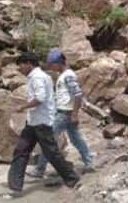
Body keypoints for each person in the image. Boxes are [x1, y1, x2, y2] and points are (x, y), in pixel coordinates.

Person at [6, 52, 79, 198]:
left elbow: (40, 98)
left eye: (20, 65)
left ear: (28, 63)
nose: (19, 69)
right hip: (33, 122)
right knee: (21, 151)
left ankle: (72, 178)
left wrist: (23, 107)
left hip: (41, 122)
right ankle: (15, 188)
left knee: (51, 153)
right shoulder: (39, 76)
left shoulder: (38, 77)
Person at [28, 49, 94, 179]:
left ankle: (39, 170)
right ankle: (89, 162)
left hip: (64, 114)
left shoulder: (68, 76)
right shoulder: (64, 75)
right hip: (66, 113)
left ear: (58, 63)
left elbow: (78, 95)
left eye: (52, 65)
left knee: (48, 141)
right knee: (77, 139)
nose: (51, 68)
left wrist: (75, 114)